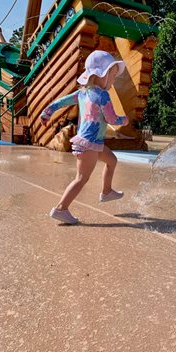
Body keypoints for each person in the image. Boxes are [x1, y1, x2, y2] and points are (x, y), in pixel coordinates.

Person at [40, 50, 129, 224]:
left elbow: (60, 102)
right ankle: (61, 209)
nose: (113, 80)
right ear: (101, 75)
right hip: (89, 144)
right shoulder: (103, 95)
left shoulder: (82, 93)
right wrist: (123, 120)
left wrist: (46, 113)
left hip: (93, 143)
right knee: (81, 179)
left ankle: (107, 191)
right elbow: (112, 119)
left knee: (111, 160)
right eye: (112, 76)